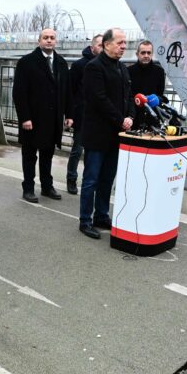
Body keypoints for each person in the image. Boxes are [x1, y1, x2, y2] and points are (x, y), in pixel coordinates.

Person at [78, 28, 134, 239]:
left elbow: (128, 96)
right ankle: (85, 220)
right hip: (97, 134)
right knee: (91, 179)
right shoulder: (94, 67)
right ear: (107, 44)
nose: (123, 46)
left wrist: (130, 116)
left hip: (116, 134)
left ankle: (101, 215)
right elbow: (99, 99)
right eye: (120, 42)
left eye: (125, 43)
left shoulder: (122, 68)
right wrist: (120, 119)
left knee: (107, 179)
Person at [12, 28, 73, 203]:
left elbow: (67, 90)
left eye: (52, 38)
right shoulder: (27, 62)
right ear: (39, 41)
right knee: (29, 155)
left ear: (56, 41)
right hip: (33, 118)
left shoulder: (61, 63)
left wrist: (69, 114)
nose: (49, 41)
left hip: (53, 119)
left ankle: (47, 186)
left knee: (48, 154)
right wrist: (25, 117)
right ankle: (29, 188)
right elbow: (19, 92)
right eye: (45, 38)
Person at [67, 34, 103, 195]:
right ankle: (71, 178)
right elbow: (71, 91)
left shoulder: (106, 65)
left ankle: (89, 181)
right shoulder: (79, 65)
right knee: (77, 150)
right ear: (92, 47)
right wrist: (70, 114)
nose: (102, 48)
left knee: (93, 152)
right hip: (82, 115)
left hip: (99, 118)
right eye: (100, 45)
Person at [127, 40, 166, 129]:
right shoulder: (129, 71)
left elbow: (160, 95)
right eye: (143, 53)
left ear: (152, 54)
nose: (146, 55)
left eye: (149, 53)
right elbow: (126, 96)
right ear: (137, 54)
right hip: (133, 118)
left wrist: (156, 99)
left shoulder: (159, 72)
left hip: (153, 117)